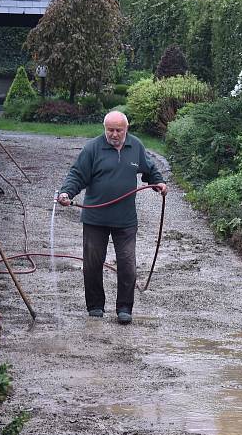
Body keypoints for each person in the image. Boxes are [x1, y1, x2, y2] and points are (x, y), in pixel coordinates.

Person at [57, 111, 168, 323]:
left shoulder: (136, 147)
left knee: (127, 264)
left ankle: (125, 308)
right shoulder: (92, 148)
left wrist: (159, 183)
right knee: (92, 264)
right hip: (95, 218)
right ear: (104, 128)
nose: (114, 134)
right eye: (110, 130)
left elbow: (150, 170)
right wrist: (66, 193)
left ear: (126, 129)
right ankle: (96, 306)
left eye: (119, 130)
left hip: (125, 220)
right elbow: (77, 174)